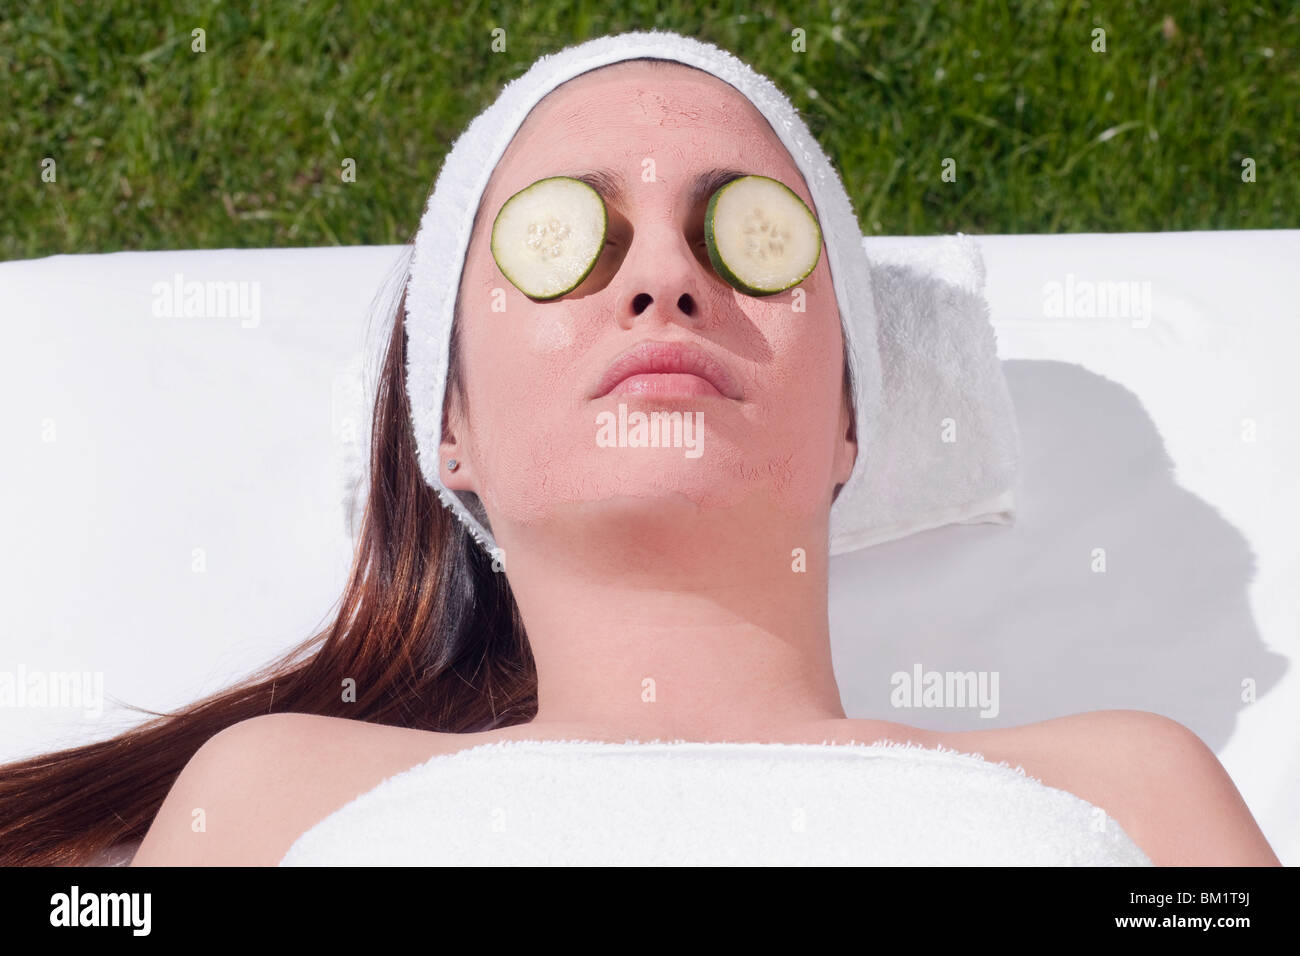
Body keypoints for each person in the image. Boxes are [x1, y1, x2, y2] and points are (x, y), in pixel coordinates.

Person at [2, 45, 1280, 868]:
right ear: (450, 427)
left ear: (850, 414)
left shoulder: (1133, 780)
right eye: (568, 238)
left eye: (745, 235)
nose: (666, 275)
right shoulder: (274, 787)